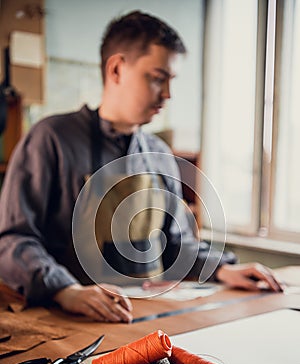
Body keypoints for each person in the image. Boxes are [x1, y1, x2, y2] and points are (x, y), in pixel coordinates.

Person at [0, 11, 282, 323]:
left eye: (171, 81)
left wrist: (222, 268)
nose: (168, 95)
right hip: (67, 319)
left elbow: (175, 244)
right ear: (117, 69)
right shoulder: (50, 139)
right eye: (157, 78)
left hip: (143, 317)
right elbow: (14, 240)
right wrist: (65, 290)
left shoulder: (160, 154)